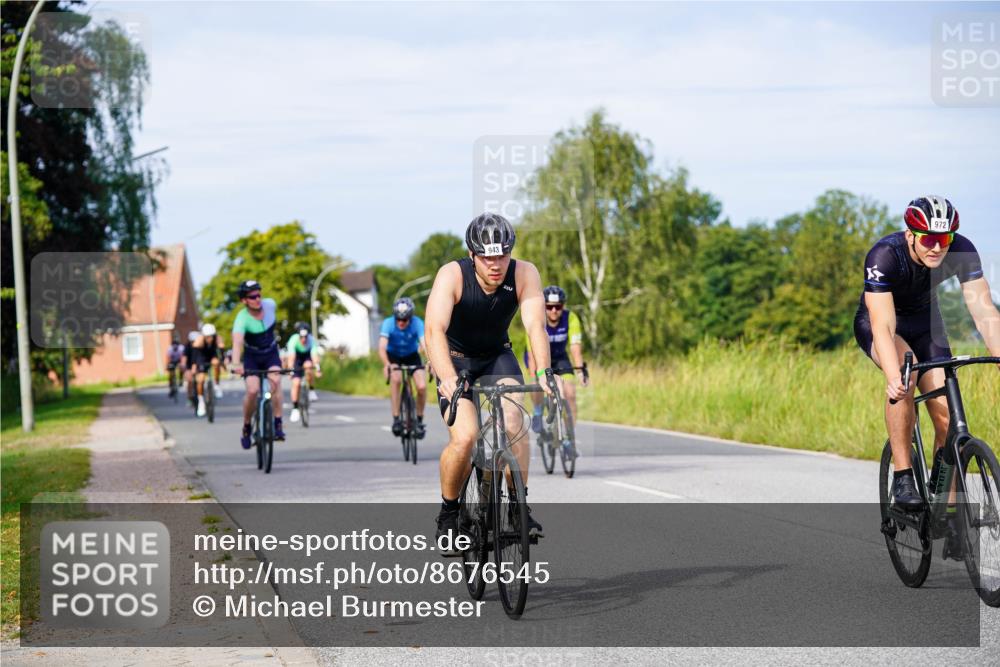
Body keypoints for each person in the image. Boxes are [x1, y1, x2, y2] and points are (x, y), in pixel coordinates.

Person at [854, 196, 1000, 558]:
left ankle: (946, 509)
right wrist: (892, 374)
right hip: (883, 325)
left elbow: (984, 312)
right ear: (910, 235)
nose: (937, 246)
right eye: (928, 239)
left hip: (926, 324)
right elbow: (883, 326)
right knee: (903, 372)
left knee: (947, 413)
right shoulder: (885, 256)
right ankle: (903, 476)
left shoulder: (962, 250)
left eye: (944, 239)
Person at [425, 213, 555, 545]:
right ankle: (449, 514)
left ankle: (517, 507)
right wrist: (447, 378)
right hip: (456, 361)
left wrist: (543, 372)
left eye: (502, 255)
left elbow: (535, 327)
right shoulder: (451, 275)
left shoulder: (525, 273)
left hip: (498, 356)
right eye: (487, 257)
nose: (495, 264)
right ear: (472, 255)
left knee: (514, 423)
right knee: (465, 437)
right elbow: (434, 331)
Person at [524, 285, 589, 434]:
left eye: (558, 307)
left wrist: (580, 372)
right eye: (550, 307)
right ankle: (538, 411)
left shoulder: (570, 318)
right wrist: (536, 377)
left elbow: (575, 348)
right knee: (537, 383)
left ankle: (569, 436)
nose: (554, 311)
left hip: (560, 358)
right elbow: (532, 353)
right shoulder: (537, 319)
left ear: (563, 306)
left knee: (570, 393)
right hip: (538, 357)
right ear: (544, 306)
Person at [229, 280, 286, 447]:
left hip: (270, 352)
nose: (257, 299)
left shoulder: (270, 305)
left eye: (259, 294)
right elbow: (237, 342)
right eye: (252, 296)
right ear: (244, 300)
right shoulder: (242, 318)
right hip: (252, 356)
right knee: (253, 390)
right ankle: (247, 426)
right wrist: (236, 364)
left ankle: (278, 423)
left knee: (275, 380)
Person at [378, 297, 430, 439]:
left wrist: (430, 360)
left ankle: (419, 420)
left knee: (421, 386)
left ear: (410, 317)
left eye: (405, 320)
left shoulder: (417, 323)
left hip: (411, 355)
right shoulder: (388, 323)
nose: (401, 322)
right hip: (393, 356)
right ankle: (396, 419)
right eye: (398, 319)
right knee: (396, 379)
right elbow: (382, 347)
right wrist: (387, 364)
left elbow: (425, 344)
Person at [285, 321, 322, 423]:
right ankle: (295, 408)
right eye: (301, 337)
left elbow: (314, 356)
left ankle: (311, 390)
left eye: (305, 337)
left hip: (306, 357)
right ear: (298, 335)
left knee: (309, 366)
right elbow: (291, 358)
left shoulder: (311, 340)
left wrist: (318, 369)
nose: (304, 339)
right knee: (296, 383)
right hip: (296, 358)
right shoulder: (293, 340)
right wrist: (290, 370)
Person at [191, 323, 226, 417]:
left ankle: (217, 385)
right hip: (201, 358)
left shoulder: (217, 339)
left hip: (212, 356)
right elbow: (194, 356)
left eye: (211, 336)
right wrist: (194, 366)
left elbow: (221, 352)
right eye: (207, 337)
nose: (209, 339)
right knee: (200, 380)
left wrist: (222, 362)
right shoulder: (199, 341)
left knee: (216, 363)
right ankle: (201, 402)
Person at [182, 331, 199, 407]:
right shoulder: (187, 347)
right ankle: (189, 398)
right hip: (189, 365)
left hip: (198, 364)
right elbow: (184, 358)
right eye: (192, 341)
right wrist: (184, 366)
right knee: (189, 380)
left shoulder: (200, 346)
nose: (194, 343)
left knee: (200, 379)